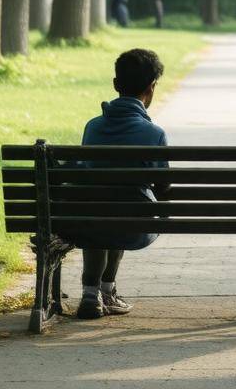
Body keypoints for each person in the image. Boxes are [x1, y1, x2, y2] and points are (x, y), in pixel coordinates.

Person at [70, 48, 169, 320]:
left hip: (89, 221)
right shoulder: (154, 133)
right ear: (151, 88)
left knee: (99, 207)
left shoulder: (93, 127)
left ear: (115, 85)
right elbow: (163, 187)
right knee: (124, 207)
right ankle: (107, 289)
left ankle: (91, 293)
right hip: (134, 225)